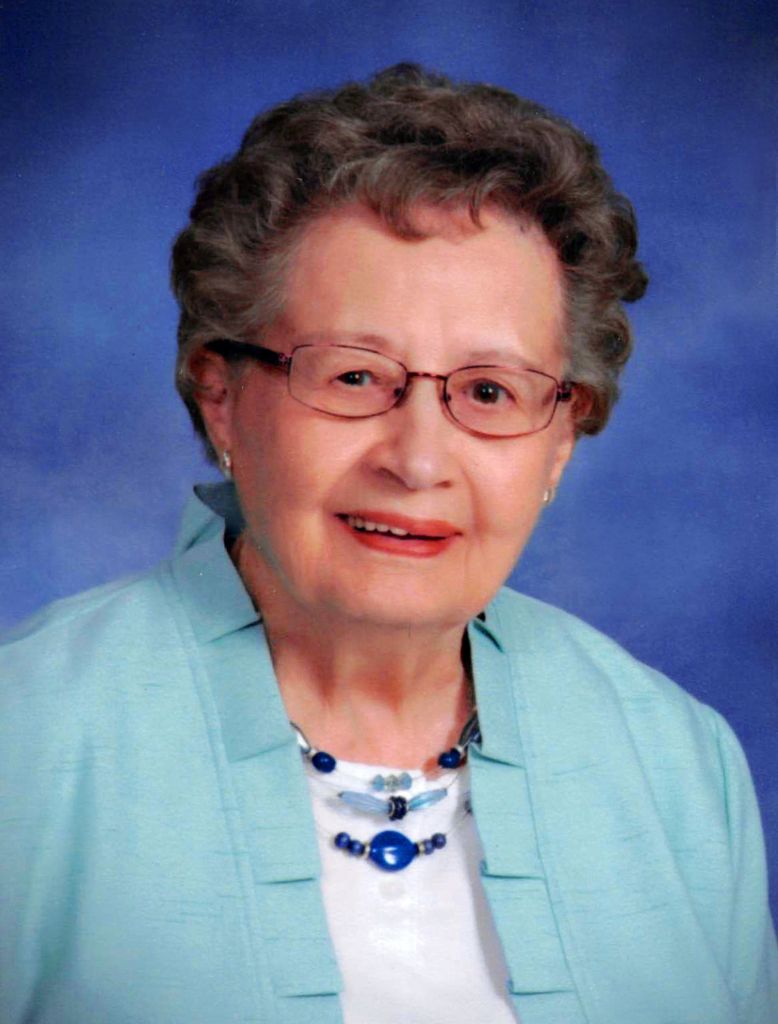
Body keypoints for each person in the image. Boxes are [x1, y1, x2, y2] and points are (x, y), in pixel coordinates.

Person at [1, 63, 776, 1024]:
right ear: (222, 395)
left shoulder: (677, 762)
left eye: (489, 391)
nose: (417, 461)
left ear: (559, 441)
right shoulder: (25, 739)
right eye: (355, 376)